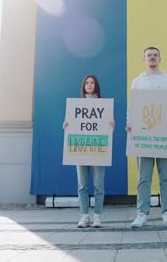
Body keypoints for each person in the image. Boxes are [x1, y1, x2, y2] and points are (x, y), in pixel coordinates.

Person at [126, 47, 167, 228]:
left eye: (155, 55)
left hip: (164, 135)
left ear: (160, 58)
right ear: (144, 59)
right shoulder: (137, 81)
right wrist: (130, 124)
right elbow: (132, 107)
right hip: (143, 135)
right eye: (149, 55)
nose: (152, 58)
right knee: (144, 177)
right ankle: (142, 213)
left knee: (166, 176)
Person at [63, 74, 115, 228]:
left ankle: (97, 216)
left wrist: (111, 126)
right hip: (81, 149)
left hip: (98, 149)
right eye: (87, 83)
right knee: (82, 186)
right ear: (84, 86)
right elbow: (72, 126)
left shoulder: (104, 106)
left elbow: (107, 131)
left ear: (96, 86)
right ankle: (84, 216)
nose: (90, 85)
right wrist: (66, 126)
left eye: (92, 82)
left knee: (99, 186)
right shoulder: (76, 106)